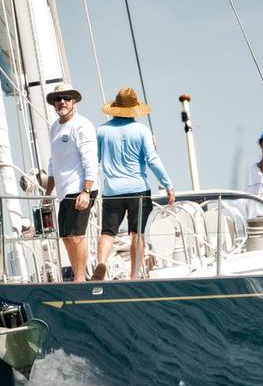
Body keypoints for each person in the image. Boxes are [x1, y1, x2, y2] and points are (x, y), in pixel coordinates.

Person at [93, 87, 175, 280]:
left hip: (112, 191)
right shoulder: (142, 131)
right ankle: (133, 276)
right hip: (138, 189)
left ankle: (102, 263)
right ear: (134, 109)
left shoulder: (102, 131)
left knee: (107, 232)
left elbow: (94, 160)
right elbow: (152, 159)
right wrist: (168, 184)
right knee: (137, 234)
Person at [43, 83, 99, 282]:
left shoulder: (82, 125)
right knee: (66, 237)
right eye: (58, 99)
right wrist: (47, 193)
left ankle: (81, 279)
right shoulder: (54, 128)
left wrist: (86, 190)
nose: (62, 102)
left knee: (76, 235)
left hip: (81, 187)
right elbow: (53, 161)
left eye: (66, 98)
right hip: (64, 191)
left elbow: (90, 160)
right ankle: (78, 275)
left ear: (74, 101)